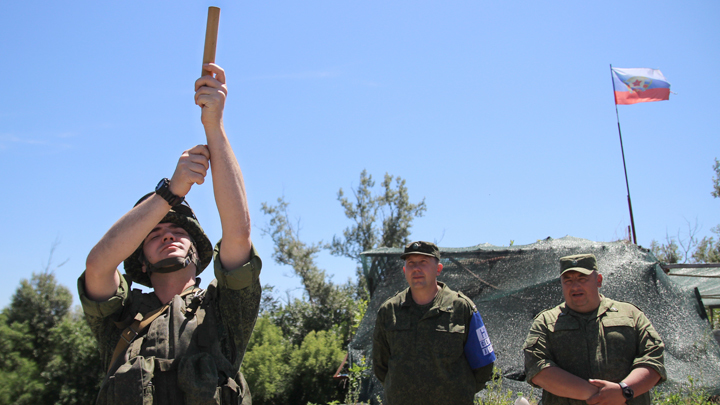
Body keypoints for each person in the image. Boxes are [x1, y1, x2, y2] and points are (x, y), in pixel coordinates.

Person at [78, 63, 261, 405]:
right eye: (153, 233)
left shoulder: (224, 311)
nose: (167, 235)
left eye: (178, 229)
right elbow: (98, 266)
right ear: (140, 261)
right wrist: (169, 194)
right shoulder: (118, 320)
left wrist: (214, 127)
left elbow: (239, 234)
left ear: (197, 248)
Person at [523, 253, 666, 405]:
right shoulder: (546, 322)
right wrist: (599, 395)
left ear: (598, 280)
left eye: (582, 279)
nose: (575, 286)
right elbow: (537, 368)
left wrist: (623, 391)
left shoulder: (631, 315)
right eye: (568, 280)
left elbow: (653, 359)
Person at [372, 241, 496, 405]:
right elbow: (381, 367)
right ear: (404, 270)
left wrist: (458, 393)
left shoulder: (461, 308)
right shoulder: (389, 311)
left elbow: (483, 366)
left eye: (423, 262)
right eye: (411, 263)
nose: (416, 268)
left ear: (438, 269)